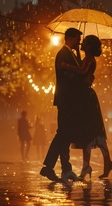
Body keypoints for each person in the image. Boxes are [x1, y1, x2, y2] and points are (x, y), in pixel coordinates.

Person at [61, 35, 112, 179]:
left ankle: (94, 165)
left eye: (84, 42)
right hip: (85, 97)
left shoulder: (89, 59)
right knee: (89, 134)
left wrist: (67, 66)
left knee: (92, 133)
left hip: (87, 98)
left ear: (89, 46)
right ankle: (94, 165)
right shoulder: (87, 58)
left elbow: (81, 71)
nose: (81, 43)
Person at [39, 28, 83, 182]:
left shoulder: (70, 53)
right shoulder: (63, 54)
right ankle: (49, 168)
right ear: (70, 38)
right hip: (66, 100)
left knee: (65, 135)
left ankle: (65, 169)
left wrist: (78, 54)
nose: (79, 42)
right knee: (63, 134)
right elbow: (74, 75)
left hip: (68, 100)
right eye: (77, 39)